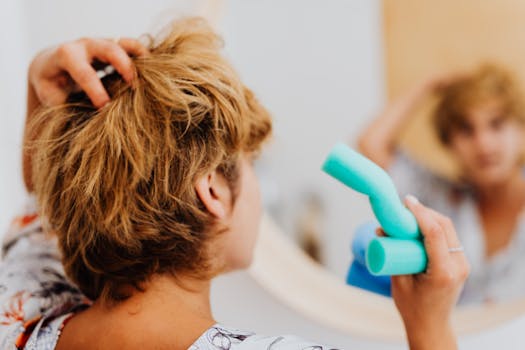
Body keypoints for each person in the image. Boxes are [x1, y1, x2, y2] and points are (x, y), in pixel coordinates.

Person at [0, 18, 469, 349]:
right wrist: (430, 327)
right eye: (251, 165)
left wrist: (35, 83)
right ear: (213, 192)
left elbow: (40, 197)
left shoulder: (21, 310)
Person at [359, 64, 525, 304]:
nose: (484, 144)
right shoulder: (441, 198)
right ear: (449, 143)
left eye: (496, 124)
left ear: (521, 131)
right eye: (466, 130)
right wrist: (429, 83)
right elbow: (371, 145)